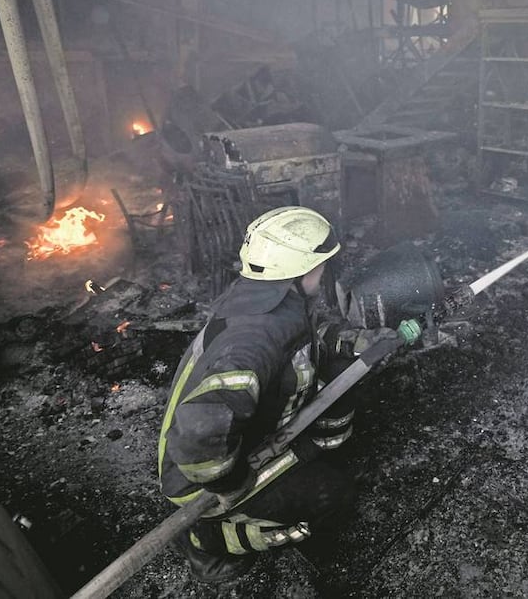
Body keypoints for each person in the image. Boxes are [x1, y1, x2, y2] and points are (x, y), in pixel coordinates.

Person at [157, 206, 395, 582]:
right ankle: (207, 541)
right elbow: (200, 432)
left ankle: (313, 458)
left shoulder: (269, 299)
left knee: (340, 390)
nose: (325, 272)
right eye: (321, 265)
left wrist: (351, 343)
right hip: (203, 480)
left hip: (248, 437)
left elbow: (307, 336)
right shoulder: (253, 341)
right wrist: (233, 485)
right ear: (301, 270)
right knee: (331, 495)